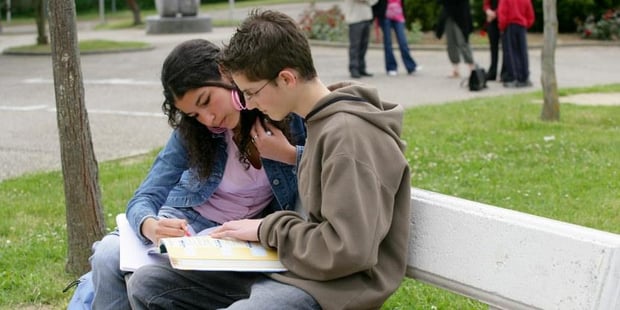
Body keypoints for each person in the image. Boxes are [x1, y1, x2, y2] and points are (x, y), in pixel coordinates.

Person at [128, 9, 412, 310]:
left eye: (251, 93)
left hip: (336, 285)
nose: (248, 104)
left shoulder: (348, 135)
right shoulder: (322, 123)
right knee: (150, 285)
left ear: (286, 78)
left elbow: (348, 250)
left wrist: (265, 229)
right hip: (297, 267)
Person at [89, 38, 306, 310]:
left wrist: (288, 154)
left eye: (206, 101)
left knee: (146, 282)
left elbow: (330, 162)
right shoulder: (193, 133)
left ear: (226, 74)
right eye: (194, 114)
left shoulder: (280, 114)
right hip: (184, 223)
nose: (208, 119)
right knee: (106, 255)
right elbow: (145, 196)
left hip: (235, 234)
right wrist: (151, 226)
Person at [372, 0, 421, 76]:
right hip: (385, 16)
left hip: (398, 16)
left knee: (403, 42)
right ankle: (391, 67)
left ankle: (411, 66)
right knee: (388, 43)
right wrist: (377, 14)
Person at [498, 0, 535, 88]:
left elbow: (502, 12)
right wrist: (526, 24)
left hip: (510, 25)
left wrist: (502, 27)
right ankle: (525, 77)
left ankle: (514, 78)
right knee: (522, 52)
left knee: (511, 53)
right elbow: (530, 15)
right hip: (522, 26)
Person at [436, 0, 475, 78]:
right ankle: (456, 70)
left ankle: (472, 69)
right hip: (448, 14)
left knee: (463, 42)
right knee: (451, 43)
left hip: (461, 15)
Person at [343, 0, 379, 78]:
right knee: (355, 46)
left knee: (364, 45)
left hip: (367, 18)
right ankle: (354, 68)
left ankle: (361, 68)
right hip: (355, 20)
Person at [483, 0, 505, 81]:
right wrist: (488, 11)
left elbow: (507, 3)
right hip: (492, 21)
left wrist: (495, 13)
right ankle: (493, 72)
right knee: (493, 48)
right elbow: (486, 3)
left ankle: (504, 73)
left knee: (506, 48)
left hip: (504, 19)